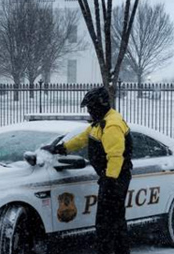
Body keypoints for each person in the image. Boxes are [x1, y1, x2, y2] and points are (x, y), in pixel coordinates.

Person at [42, 86, 132, 254]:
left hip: (115, 179)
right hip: (112, 177)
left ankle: (108, 250)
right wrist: (61, 148)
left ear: (100, 105)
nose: (89, 111)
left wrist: (110, 181)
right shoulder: (100, 123)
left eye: (91, 107)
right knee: (116, 220)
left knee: (105, 223)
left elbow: (116, 156)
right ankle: (120, 250)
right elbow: (83, 138)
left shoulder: (111, 125)